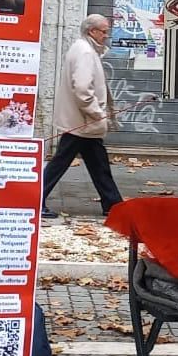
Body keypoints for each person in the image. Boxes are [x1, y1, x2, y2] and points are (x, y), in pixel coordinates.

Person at [41, 14, 123, 218]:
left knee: (98, 163)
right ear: (91, 31)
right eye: (103, 31)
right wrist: (97, 113)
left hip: (82, 122)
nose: (106, 35)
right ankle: (34, 200)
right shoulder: (86, 52)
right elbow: (83, 90)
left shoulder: (83, 48)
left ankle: (113, 205)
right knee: (60, 163)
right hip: (82, 121)